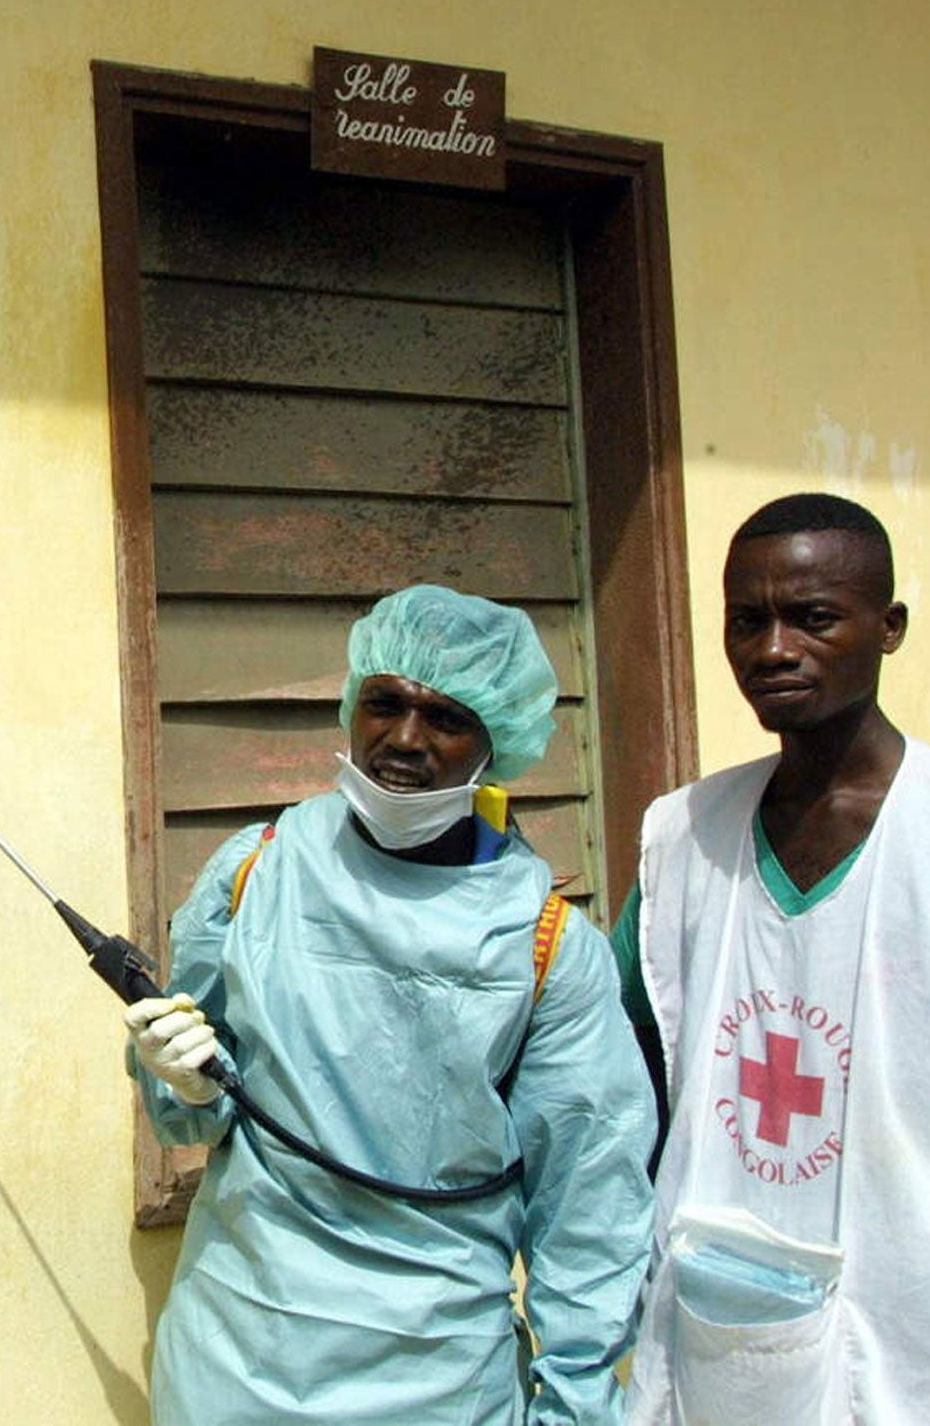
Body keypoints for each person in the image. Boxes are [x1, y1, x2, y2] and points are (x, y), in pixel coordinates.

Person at [128, 584, 655, 1425]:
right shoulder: (255, 873)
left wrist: (577, 1404)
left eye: (445, 719)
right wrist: (182, 1081)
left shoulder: (546, 947)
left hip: (435, 1379)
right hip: (235, 1357)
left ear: (496, 745)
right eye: (386, 703)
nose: (404, 739)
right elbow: (189, 1114)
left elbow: (591, 1208)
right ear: (351, 706)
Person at [615, 493, 930, 1423]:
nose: (773, 649)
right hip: (721, 1330)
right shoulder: (684, 837)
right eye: (748, 620)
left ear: (888, 627)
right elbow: (612, 1065)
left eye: (813, 617)